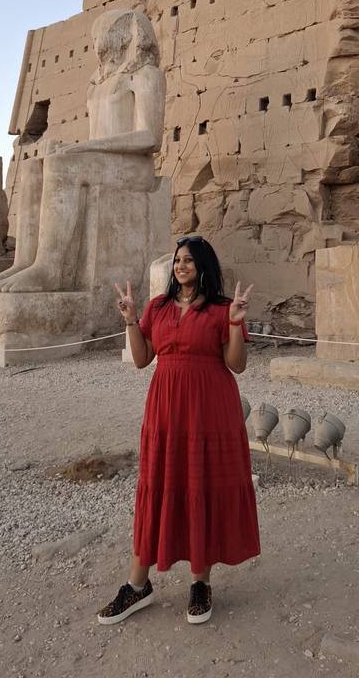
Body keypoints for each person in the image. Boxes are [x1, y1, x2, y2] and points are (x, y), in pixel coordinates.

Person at [97, 236, 260, 625]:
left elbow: (237, 365)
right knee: (159, 484)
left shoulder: (222, 308)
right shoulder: (158, 307)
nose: (180, 266)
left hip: (211, 411)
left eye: (188, 260)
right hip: (166, 409)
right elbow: (142, 359)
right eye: (177, 260)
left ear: (203, 266)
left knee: (202, 484)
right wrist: (131, 319)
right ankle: (137, 585)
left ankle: (200, 582)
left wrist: (234, 323)